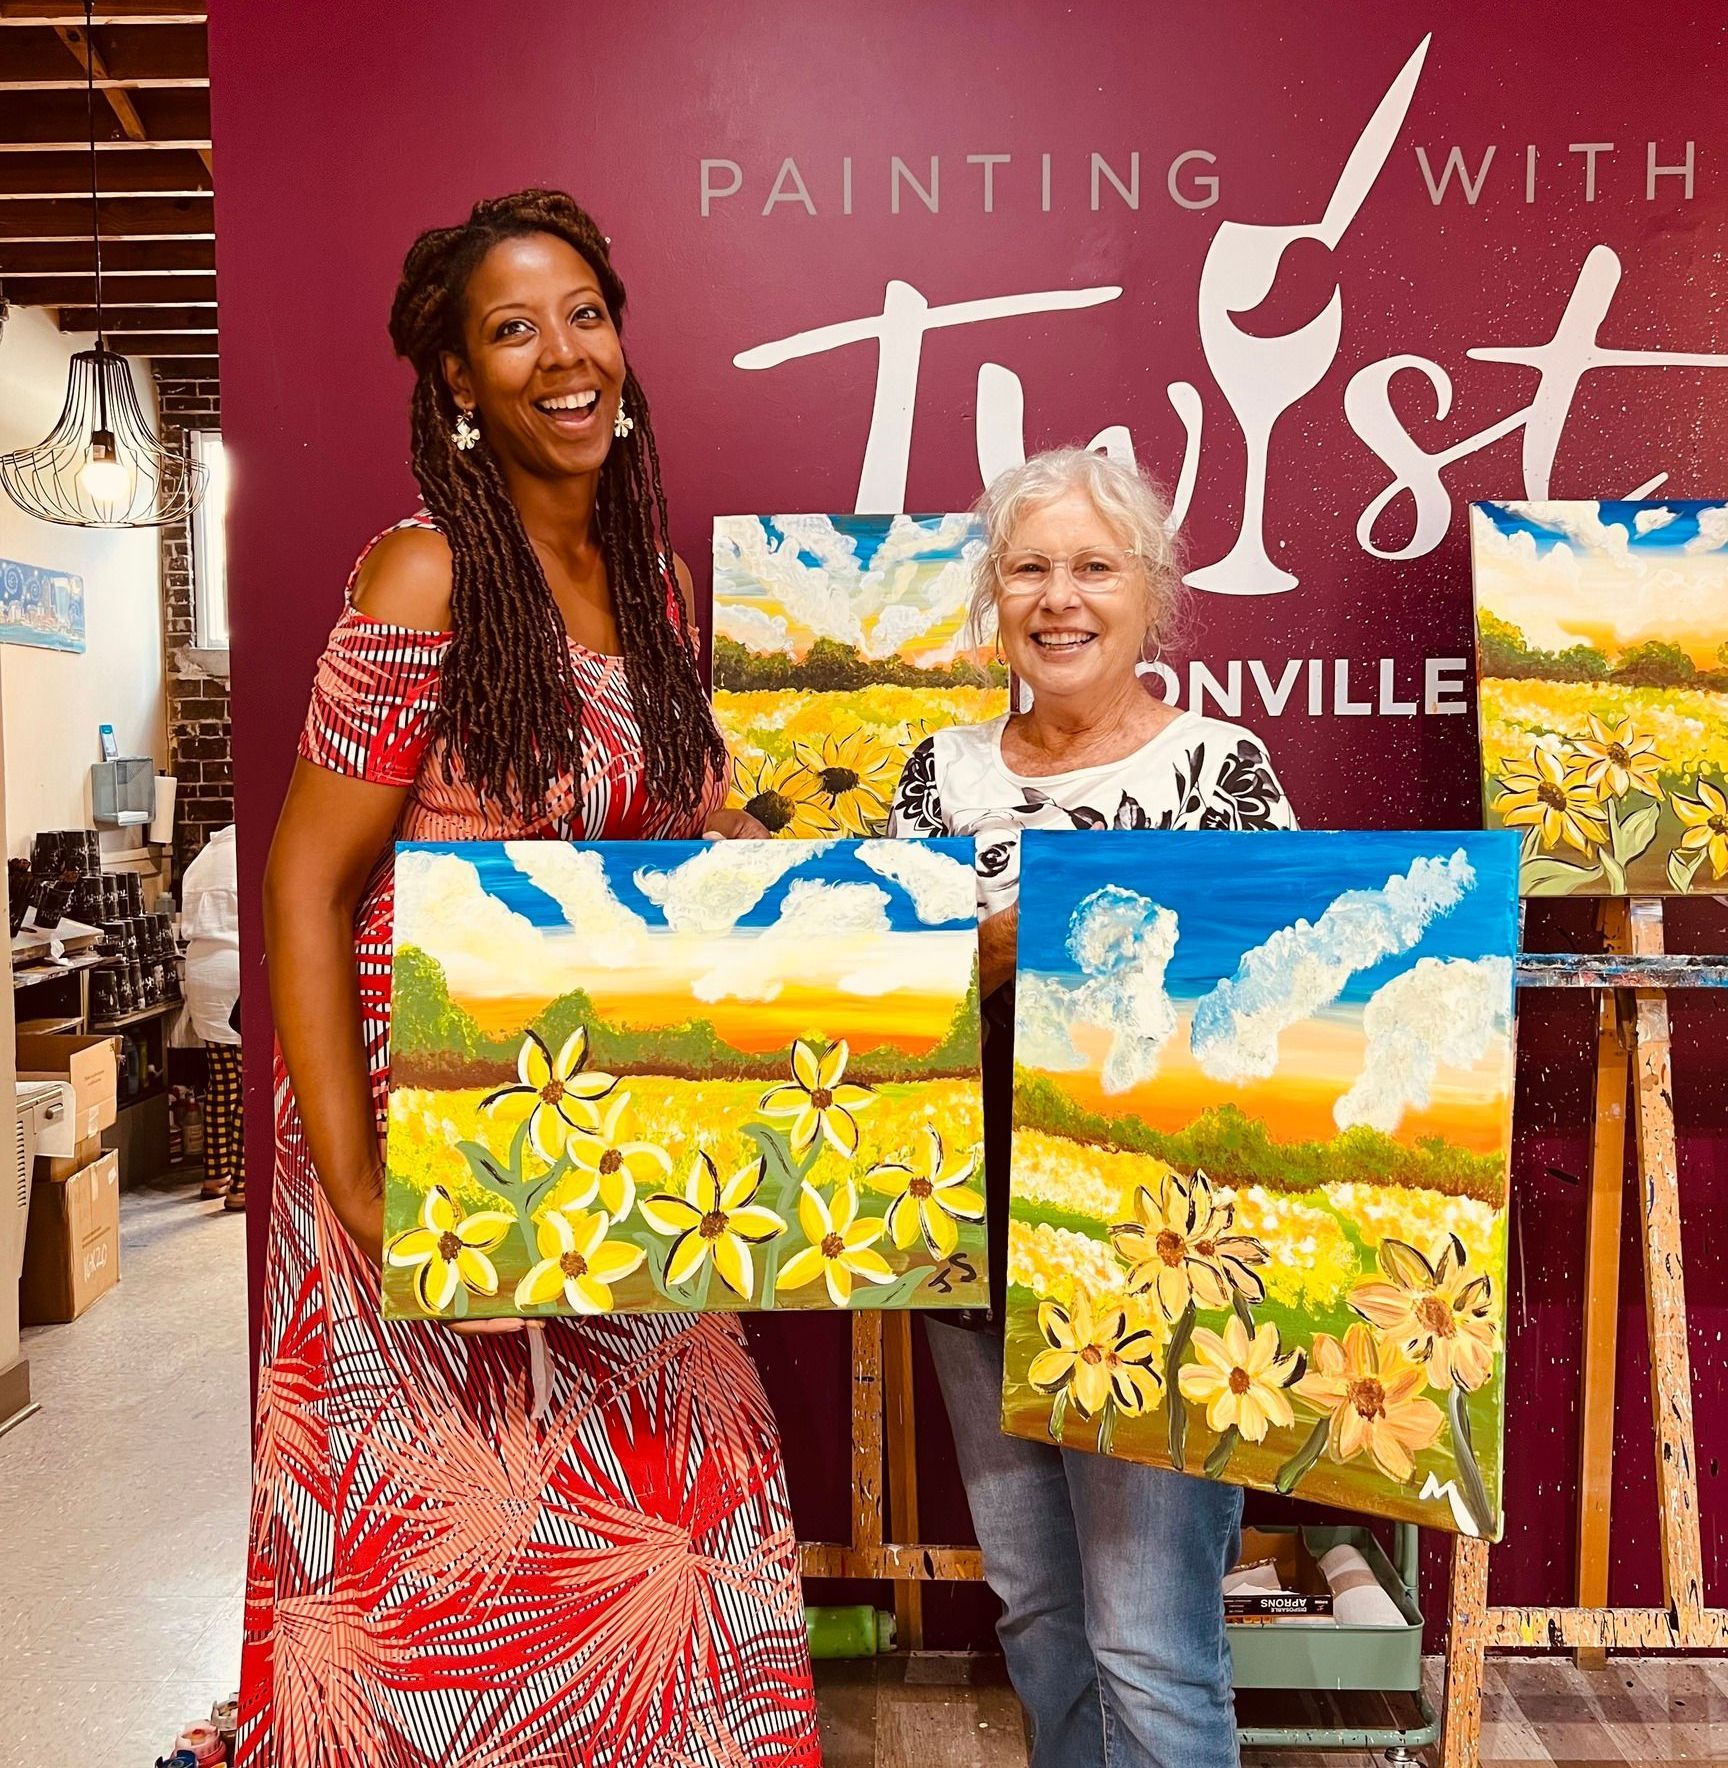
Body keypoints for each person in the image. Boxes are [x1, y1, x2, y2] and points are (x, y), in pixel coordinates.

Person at [242, 191, 818, 1767]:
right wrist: (361, 1188)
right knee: (446, 1556)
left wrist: (821, 865)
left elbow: (676, 832)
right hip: (426, 1135)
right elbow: (305, 882)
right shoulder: (422, 575)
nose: (564, 356)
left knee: (674, 1526)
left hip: (609, 1133)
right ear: (458, 380)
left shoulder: (652, 583)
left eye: (585, 315)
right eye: (513, 330)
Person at [888, 447, 1296, 1768]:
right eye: (1029, 568)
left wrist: (1075, 941)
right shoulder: (938, 775)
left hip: (1158, 1258)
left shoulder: (1221, 769)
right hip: (977, 1255)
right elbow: (890, 1019)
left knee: (1151, 1638)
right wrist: (1003, 946)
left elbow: (1280, 1014)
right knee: (1040, 1615)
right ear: (994, 595)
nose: (1058, 598)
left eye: (1093, 567)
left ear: (1152, 593)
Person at [180, 822, 246, 1210]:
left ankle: (215, 1175)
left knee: (222, 1081)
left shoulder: (202, 861)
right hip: (236, 969)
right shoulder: (247, 854)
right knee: (249, 1082)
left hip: (201, 970)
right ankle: (242, 1184)